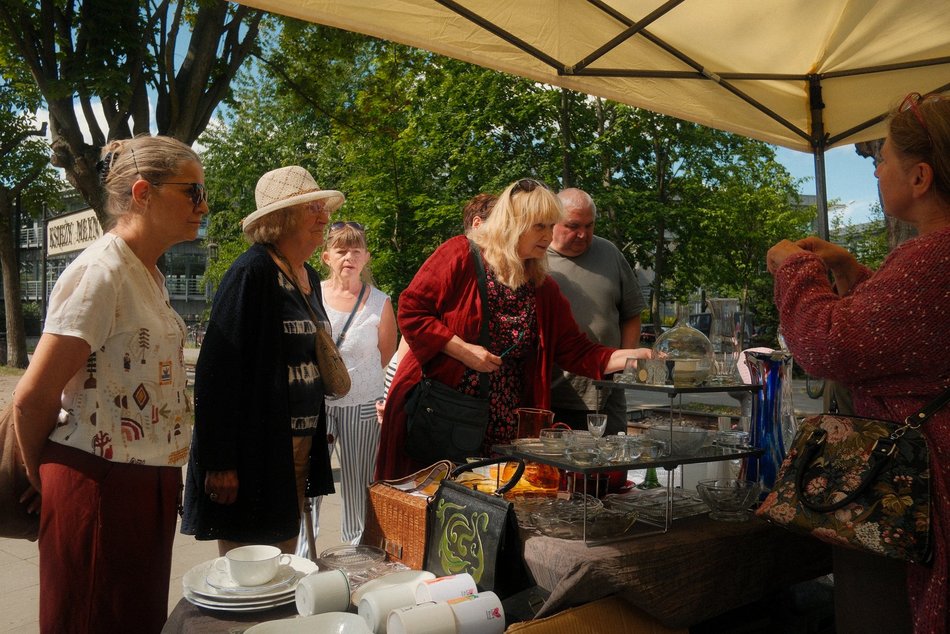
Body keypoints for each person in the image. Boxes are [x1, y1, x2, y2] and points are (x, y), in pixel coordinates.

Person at [766, 92, 950, 634]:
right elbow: (908, 338)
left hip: (913, 489)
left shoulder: (933, 257)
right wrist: (849, 270)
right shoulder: (932, 257)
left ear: (919, 177)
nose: (875, 170)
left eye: (881, 159)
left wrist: (793, 269)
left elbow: (826, 345)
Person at [12, 136, 206, 632]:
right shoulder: (103, 272)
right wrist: (43, 480)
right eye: (192, 192)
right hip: (100, 484)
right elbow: (33, 395)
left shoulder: (148, 273)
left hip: (145, 483)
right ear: (143, 192)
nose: (203, 206)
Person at [375, 178, 653, 480]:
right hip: (443, 419)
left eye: (551, 226)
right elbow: (413, 311)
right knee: (438, 510)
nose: (548, 236)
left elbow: (576, 351)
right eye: (540, 226)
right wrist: (464, 351)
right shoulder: (459, 255)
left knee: (491, 513)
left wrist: (631, 357)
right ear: (513, 222)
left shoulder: (541, 287)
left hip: (506, 431)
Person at [181, 166, 341, 555]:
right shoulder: (251, 272)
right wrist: (219, 463)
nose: (325, 216)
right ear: (282, 219)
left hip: (297, 446)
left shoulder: (307, 275)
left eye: (322, 206)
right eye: (313, 208)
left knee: (285, 556)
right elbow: (215, 372)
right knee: (250, 566)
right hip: (257, 449)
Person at [296, 221, 396, 552]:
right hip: (318, 405)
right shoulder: (312, 295)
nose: (348, 257)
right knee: (309, 483)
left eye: (355, 250)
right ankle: (302, 552)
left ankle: (356, 552)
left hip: (364, 404)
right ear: (326, 256)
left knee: (358, 485)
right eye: (341, 250)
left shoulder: (380, 303)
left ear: (366, 257)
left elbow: (386, 355)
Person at [547, 188, 646, 435]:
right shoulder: (536, 257)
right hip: (553, 392)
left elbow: (632, 312)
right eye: (573, 225)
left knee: (611, 466)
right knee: (555, 469)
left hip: (606, 390)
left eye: (589, 226)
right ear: (553, 221)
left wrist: (625, 359)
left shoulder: (609, 253)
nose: (582, 234)